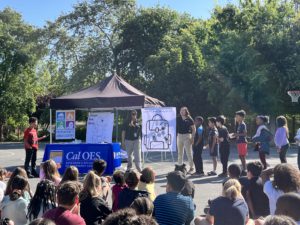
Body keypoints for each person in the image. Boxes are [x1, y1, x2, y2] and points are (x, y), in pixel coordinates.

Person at [177, 106, 196, 174]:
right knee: (180, 152)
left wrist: (192, 138)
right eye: (181, 110)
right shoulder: (178, 118)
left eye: (183, 110)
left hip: (187, 136)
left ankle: (191, 167)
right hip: (179, 136)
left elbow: (194, 129)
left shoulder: (189, 119)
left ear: (186, 111)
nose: (181, 112)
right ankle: (180, 167)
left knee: (189, 152)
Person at [233, 110, 248, 176]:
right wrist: (235, 135)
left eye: (237, 116)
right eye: (236, 116)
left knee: (242, 156)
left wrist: (237, 135)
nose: (236, 117)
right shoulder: (239, 124)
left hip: (242, 142)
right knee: (240, 156)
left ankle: (245, 170)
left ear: (241, 117)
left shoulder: (242, 124)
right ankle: (244, 169)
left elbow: (245, 134)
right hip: (239, 142)